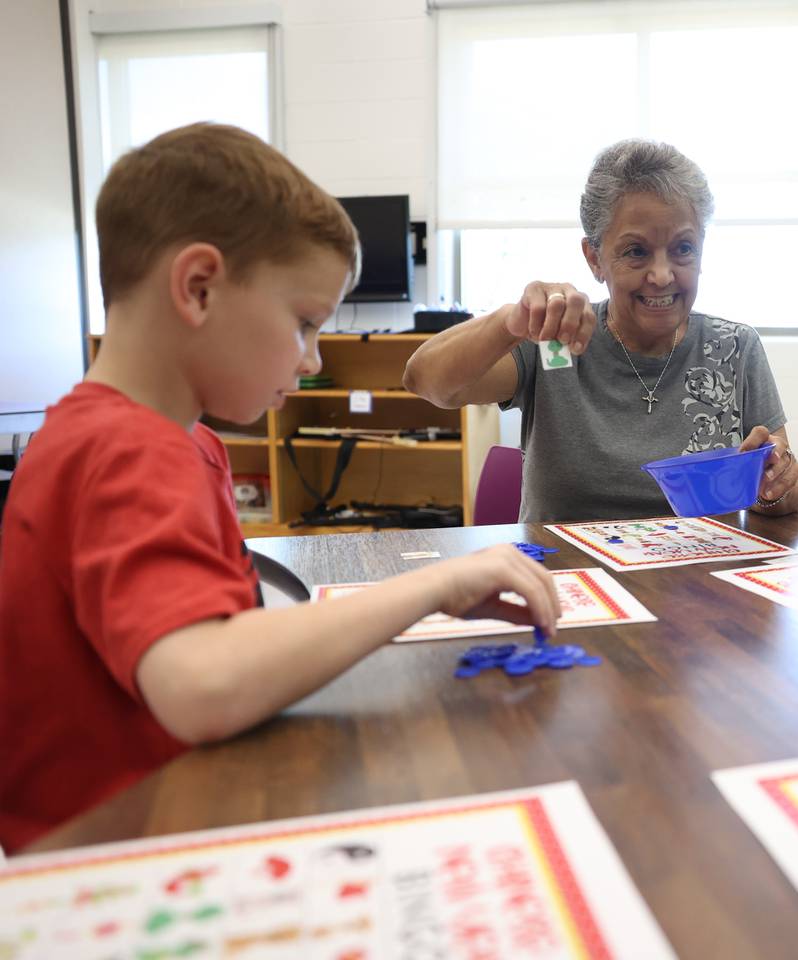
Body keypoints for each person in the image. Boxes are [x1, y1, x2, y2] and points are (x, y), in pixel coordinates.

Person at [0, 124, 560, 852]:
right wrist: (432, 587)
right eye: (303, 323)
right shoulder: (126, 449)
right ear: (198, 287)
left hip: (164, 816)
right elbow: (204, 685)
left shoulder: (172, 440)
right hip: (114, 859)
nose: (314, 360)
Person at [404, 139, 798, 522]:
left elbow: (789, 495)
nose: (662, 275)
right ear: (594, 258)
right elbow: (426, 380)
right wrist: (508, 322)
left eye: (684, 248)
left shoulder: (735, 347)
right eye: (637, 251)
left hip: (697, 584)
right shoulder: (555, 342)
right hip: (569, 582)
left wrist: (776, 486)